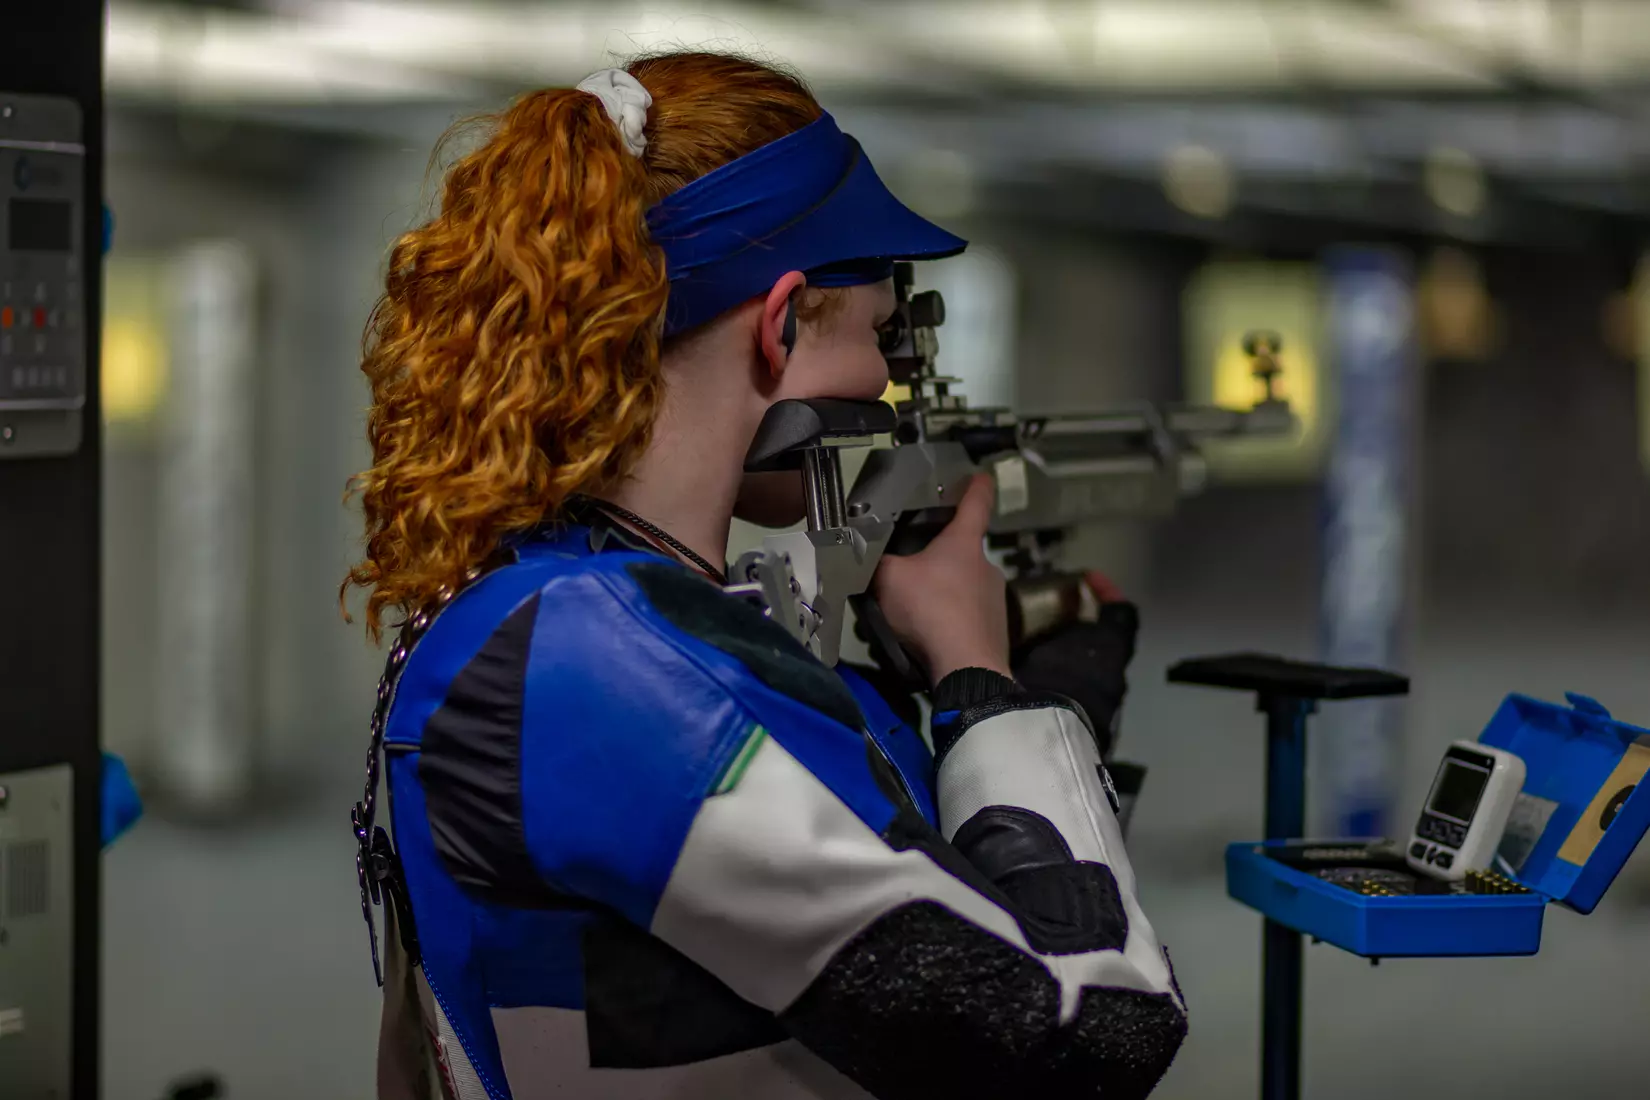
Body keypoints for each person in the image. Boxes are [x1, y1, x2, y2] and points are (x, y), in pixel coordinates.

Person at [341, 51, 1186, 1100]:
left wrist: (1049, 702)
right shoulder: (590, 666)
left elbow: (905, 910)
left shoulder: (573, 610)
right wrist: (980, 681)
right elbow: (1094, 1028)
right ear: (781, 323)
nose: (887, 385)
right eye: (882, 336)